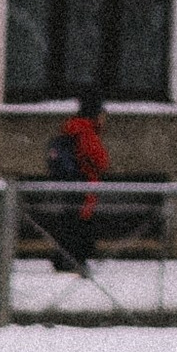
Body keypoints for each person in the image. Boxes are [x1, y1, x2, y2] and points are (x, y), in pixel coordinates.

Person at [38, 88, 110, 272]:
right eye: (102, 114)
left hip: (72, 183)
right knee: (81, 225)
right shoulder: (86, 130)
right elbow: (100, 160)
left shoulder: (72, 127)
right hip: (84, 185)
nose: (104, 118)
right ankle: (73, 261)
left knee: (70, 222)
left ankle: (64, 258)